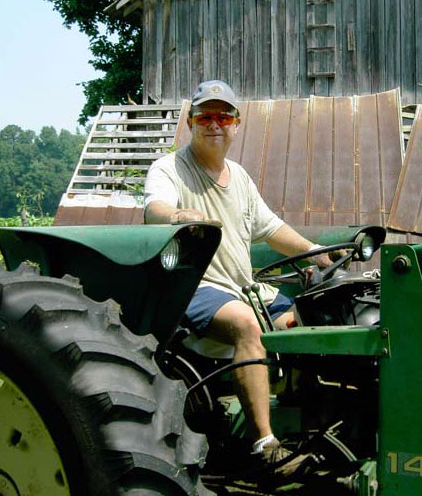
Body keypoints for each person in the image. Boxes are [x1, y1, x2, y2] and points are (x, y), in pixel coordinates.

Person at [144, 80, 336, 479]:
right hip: (195, 289)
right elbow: (155, 208)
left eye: (223, 116)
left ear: (236, 124)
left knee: (306, 322)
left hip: (241, 287)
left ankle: (312, 428)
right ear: (190, 123)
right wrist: (178, 216)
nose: (215, 124)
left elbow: (272, 229)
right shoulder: (169, 169)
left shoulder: (241, 178)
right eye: (205, 116)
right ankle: (264, 446)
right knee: (248, 325)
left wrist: (316, 252)